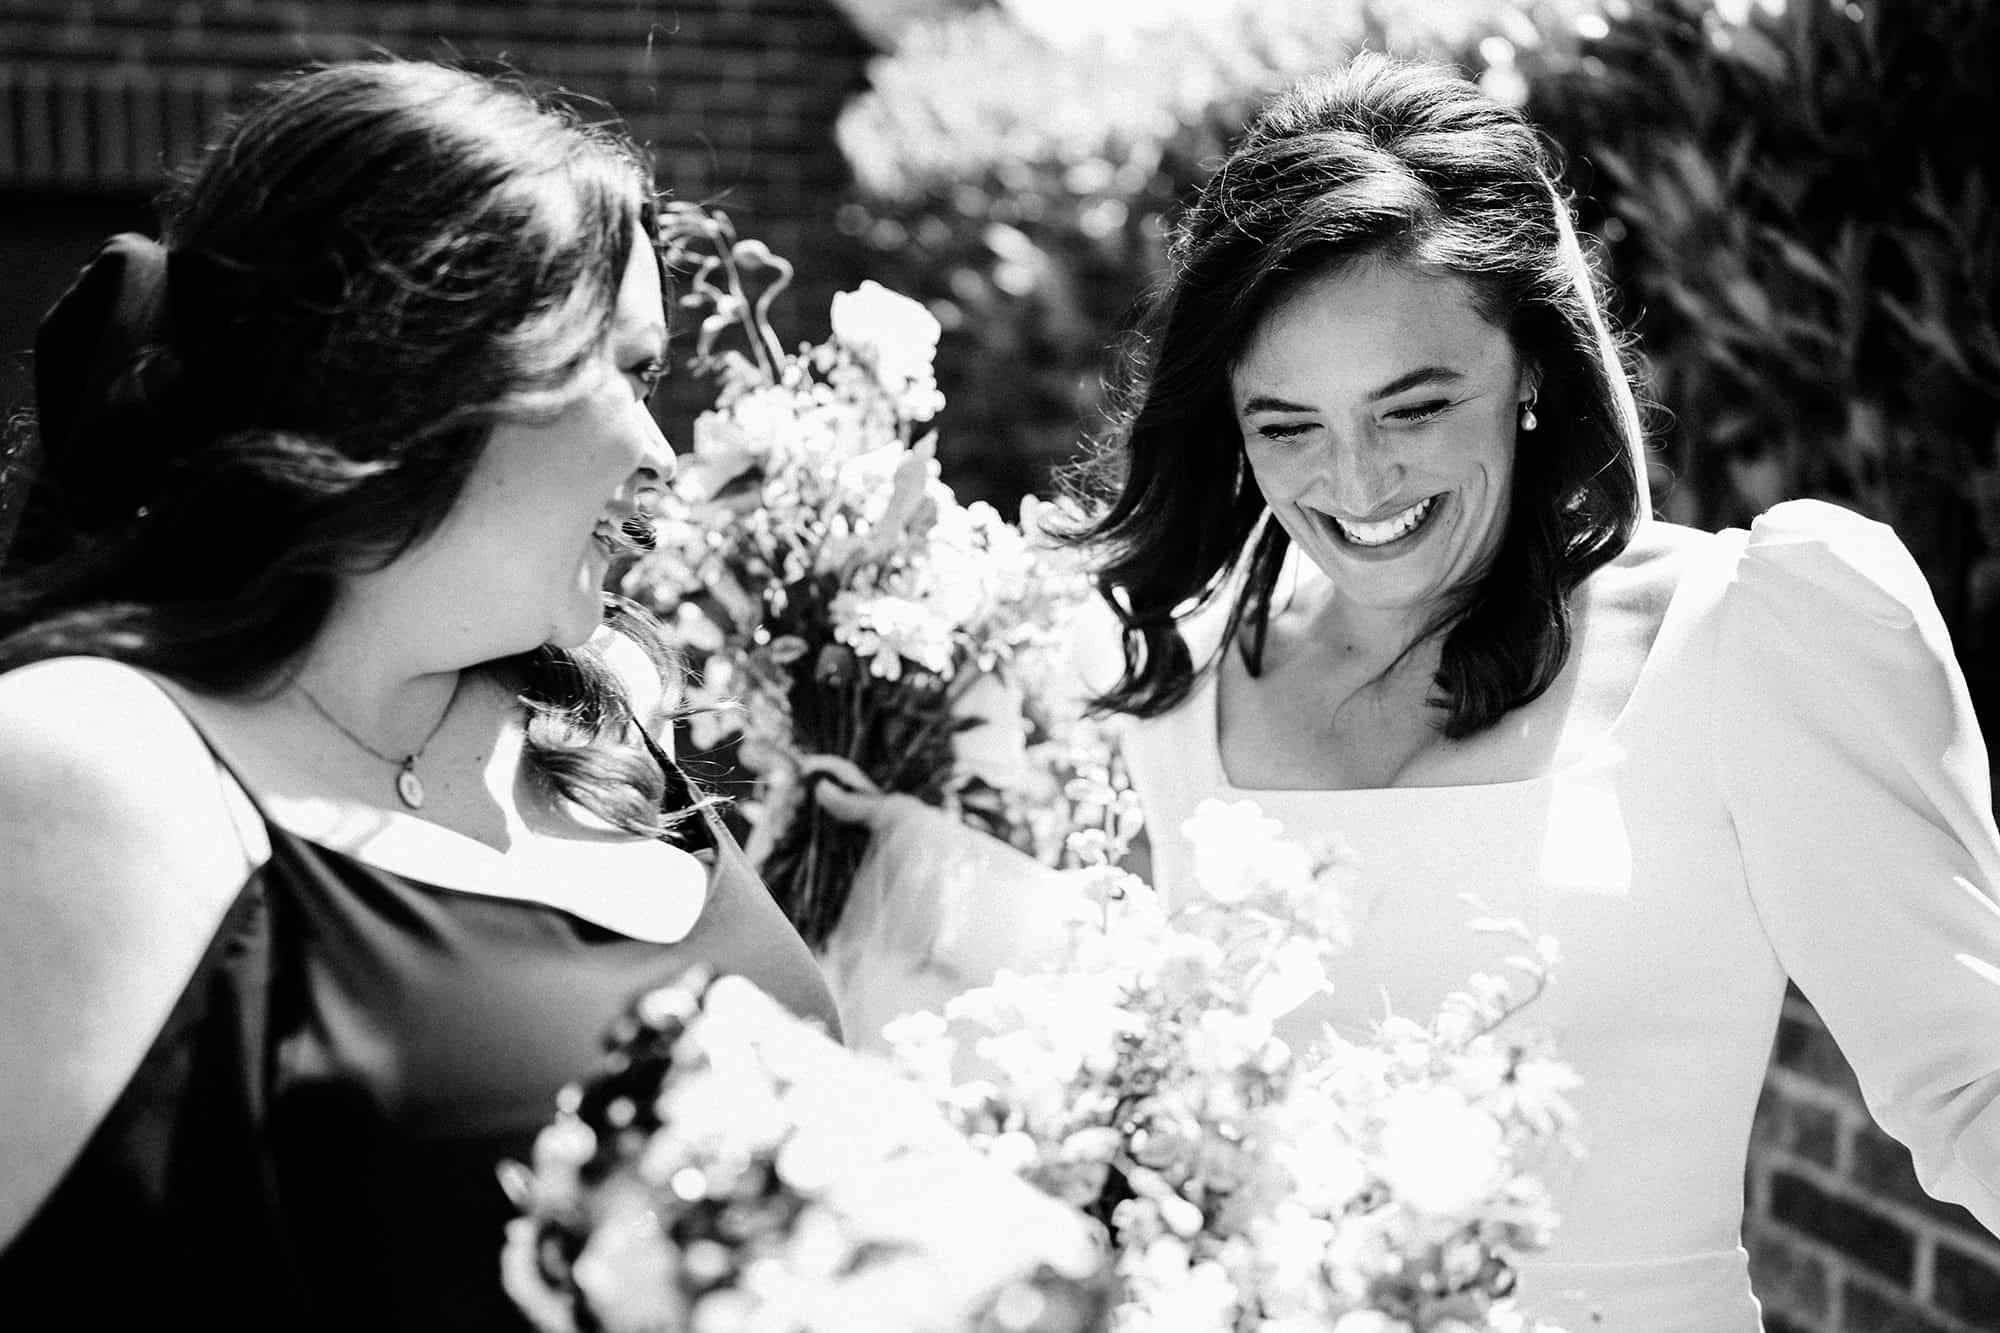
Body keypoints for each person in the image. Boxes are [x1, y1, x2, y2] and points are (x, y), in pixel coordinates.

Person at [1059, 50, 2000, 1330]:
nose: (1357, 481)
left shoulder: (1753, 630)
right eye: (1286, 425)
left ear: (1532, 371)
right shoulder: (1164, 687)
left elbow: (1971, 1084)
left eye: (1414, 404)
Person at [0, 59, 838, 1330]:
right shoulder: (91, 769)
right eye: (627, 370)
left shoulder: (597, 713)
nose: (664, 456)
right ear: (415, 370)